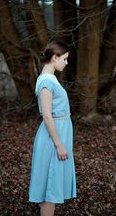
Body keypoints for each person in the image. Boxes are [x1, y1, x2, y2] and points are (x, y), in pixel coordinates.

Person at [29, 40, 77, 216]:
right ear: (55, 57)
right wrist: (59, 145)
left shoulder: (50, 79)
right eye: (64, 59)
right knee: (50, 188)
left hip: (58, 133)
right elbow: (47, 116)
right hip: (52, 139)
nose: (66, 62)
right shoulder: (46, 83)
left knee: (50, 186)